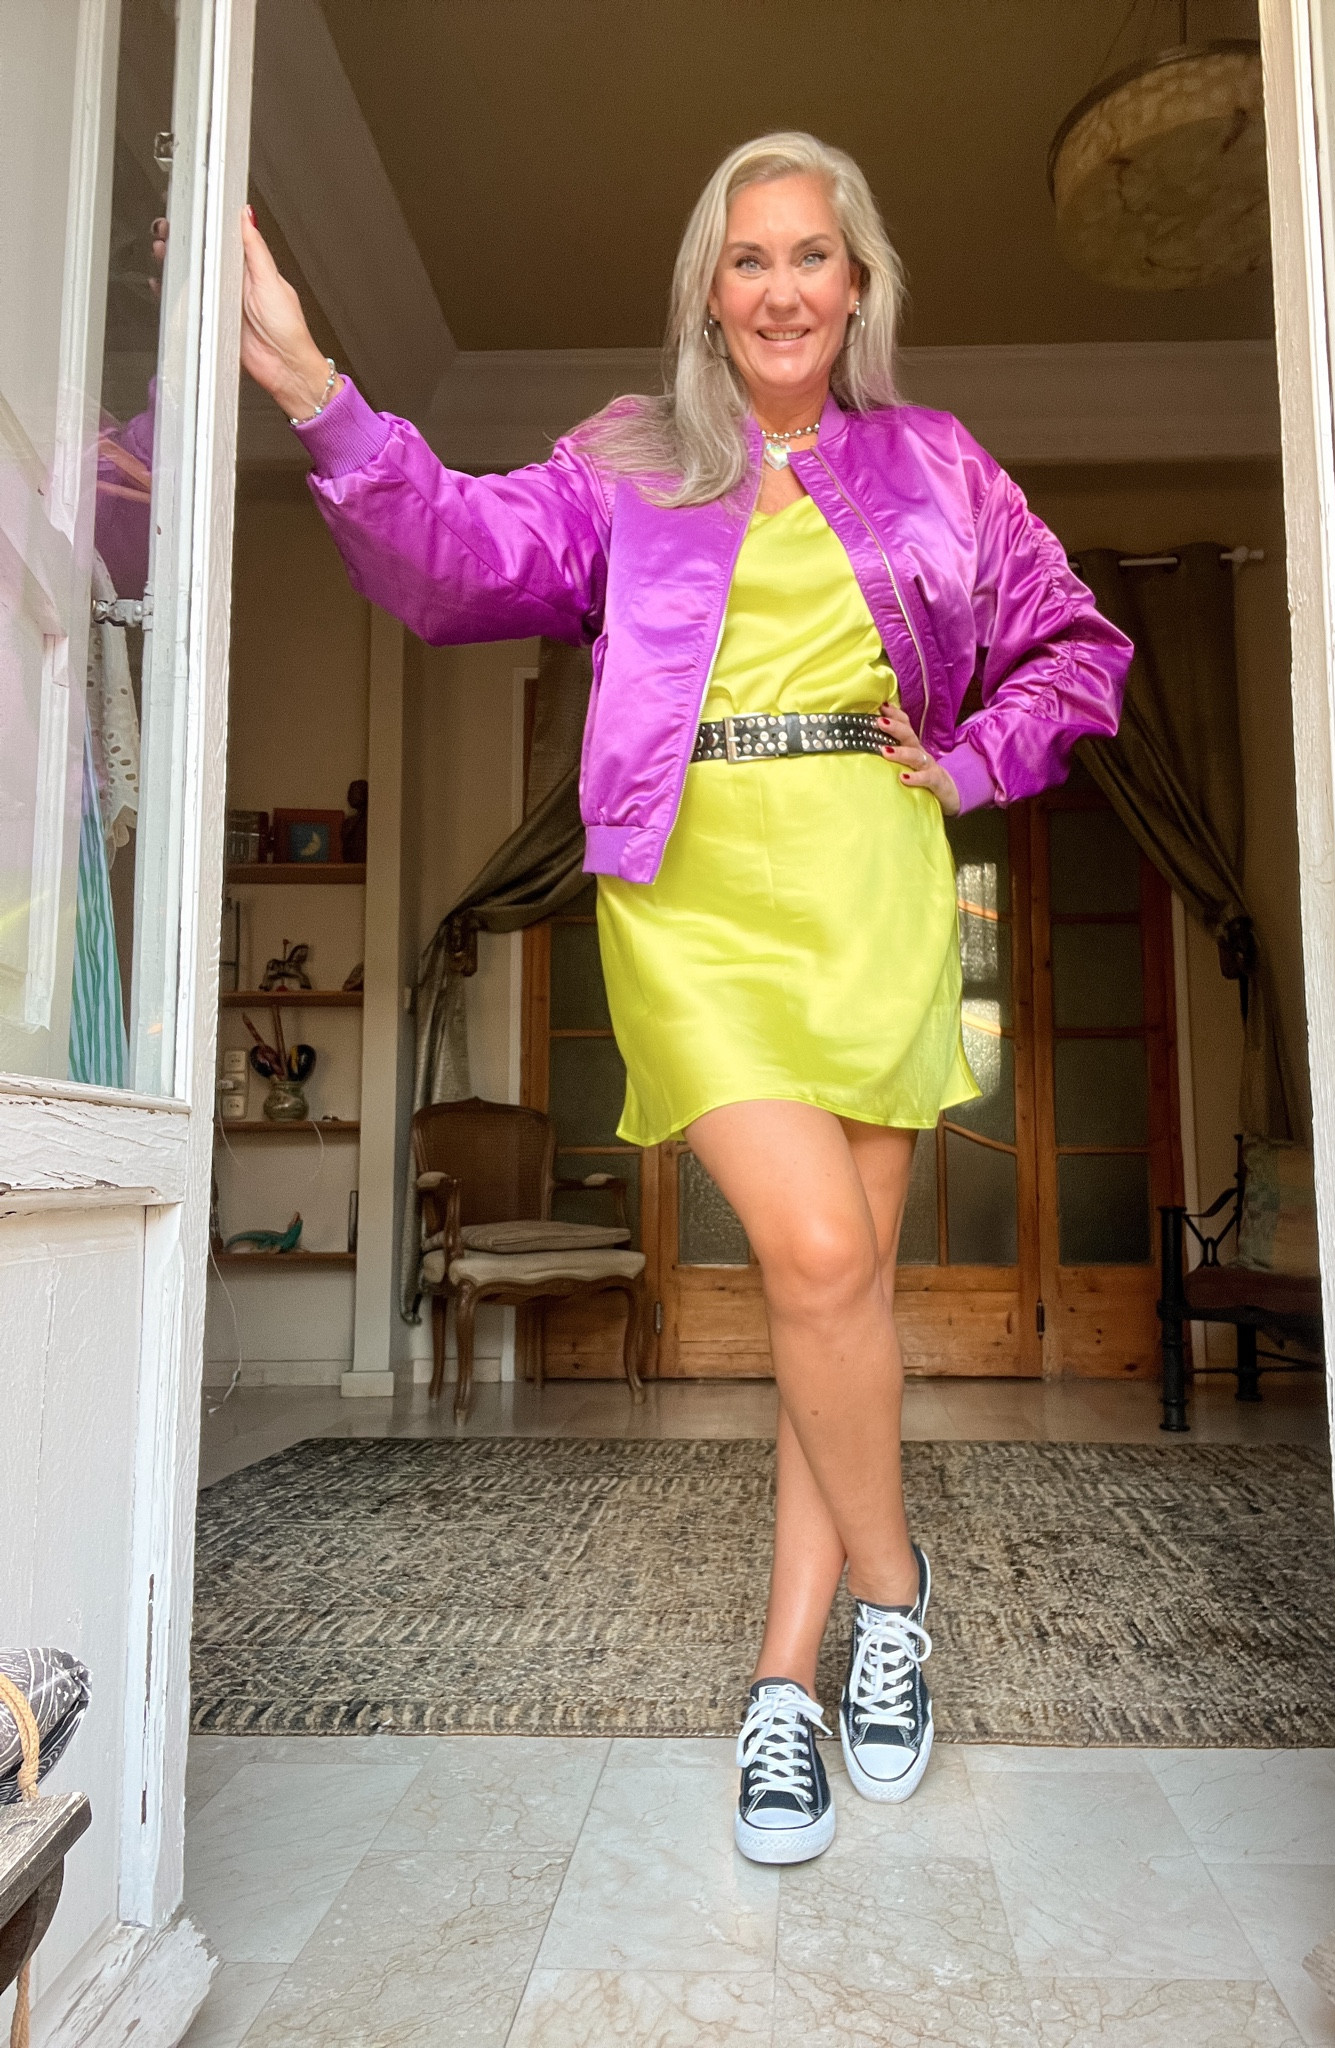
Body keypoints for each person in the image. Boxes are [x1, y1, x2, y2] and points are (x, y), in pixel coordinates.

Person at [239, 131, 1131, 1864]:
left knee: (835, 1299)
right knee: (813, 1259)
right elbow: (455, 556)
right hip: (696, 898)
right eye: (748, 259)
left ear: (856, 283)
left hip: (872, 876)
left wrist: (965, 765)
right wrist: (313, 387)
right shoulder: (631, 457)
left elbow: (1077, 645)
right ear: (706, 293)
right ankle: (899, 1591)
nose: (782, 286)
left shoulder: (940, 463)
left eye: (812, 254)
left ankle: (784, 1681)